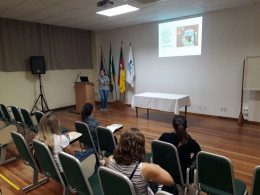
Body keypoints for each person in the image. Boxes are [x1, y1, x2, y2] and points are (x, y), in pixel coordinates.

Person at [106, 128, 175, 195]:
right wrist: (156, 167)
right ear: (140, 148)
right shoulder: (144, 169)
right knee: (173, 188)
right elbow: (170, 182)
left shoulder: (109, 160)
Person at [159, 114, 201, 181]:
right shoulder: (191, 142)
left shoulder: (164, 136)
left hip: (165, 171)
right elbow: (199, 154)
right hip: (183, 174)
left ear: (172, 126)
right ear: (187, 126)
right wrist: (190, 163)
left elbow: (159, 151)